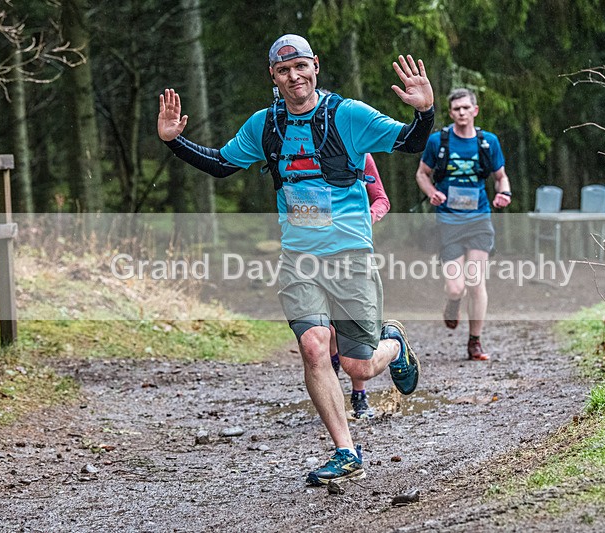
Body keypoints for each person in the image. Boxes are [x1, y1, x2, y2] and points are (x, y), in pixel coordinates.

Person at [158, 34, 433, 486]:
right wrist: (175, 141)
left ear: (316, 66)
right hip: (300, 258)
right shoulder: (264, 126)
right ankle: (346, 451)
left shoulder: (348, 115)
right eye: (284, 70)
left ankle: (395, 345)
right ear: (273, 76)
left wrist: (424, 112)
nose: (294, 76)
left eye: (301, 66)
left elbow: (407, 143)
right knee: (313, 347)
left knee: (358, 365)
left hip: (349, 256)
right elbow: (223, 164)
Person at [414, 88, 511, 361]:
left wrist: (504, 193)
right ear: (451, 112)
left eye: (466, 108)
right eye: (456, 109)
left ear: (475, 111)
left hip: (479, 219)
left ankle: (475, 341)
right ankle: (453, 303)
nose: (461, 113)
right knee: (457, 287)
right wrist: (432, 191)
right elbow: (422, 174)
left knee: (476, 280)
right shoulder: (438, 142)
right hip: (448, 221)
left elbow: (501, 177)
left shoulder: (488, 142)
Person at [330, 153, 390, 419]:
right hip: (312, 252)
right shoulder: (302, 152)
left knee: (351, 326)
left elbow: (381, 199)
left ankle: (359, 394)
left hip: (353, 252)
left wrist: (368, 216)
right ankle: (331, 393)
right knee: (324, 329)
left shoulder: (361, 155)